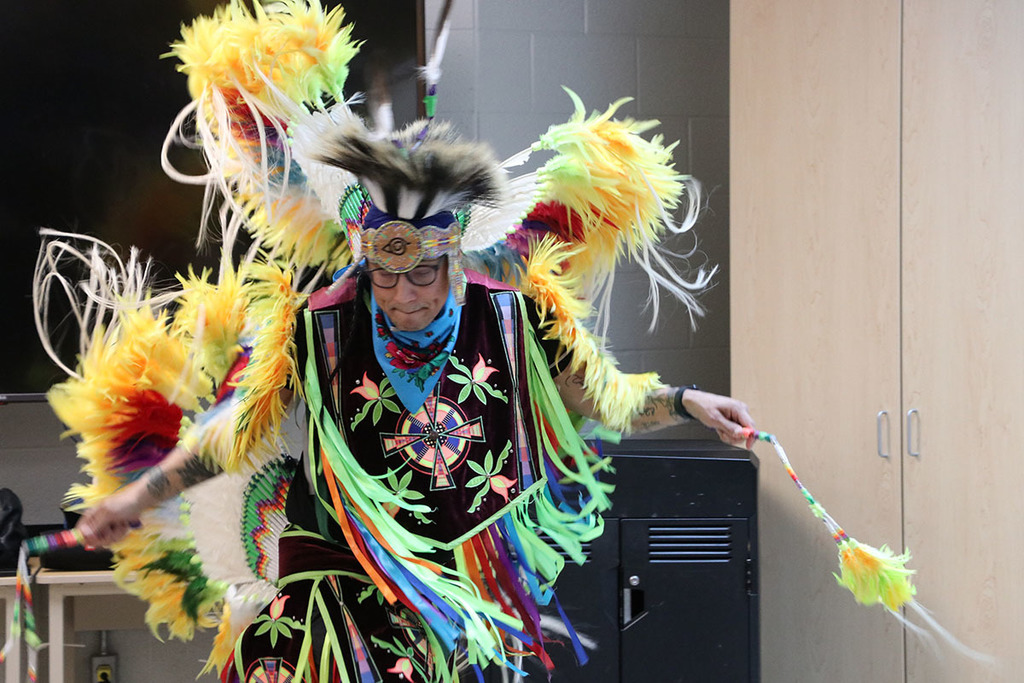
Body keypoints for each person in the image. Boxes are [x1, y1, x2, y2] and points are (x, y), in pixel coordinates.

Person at [55, 3, 756, 681]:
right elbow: (228, 435)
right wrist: (135, 500)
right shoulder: (321, 323)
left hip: (443, 592)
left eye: (422, 271)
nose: (403, 294)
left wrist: (689, 400)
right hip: (331, 575)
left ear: (455, 257)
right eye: (383, 275)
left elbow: (605, 400)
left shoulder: (511, 318)